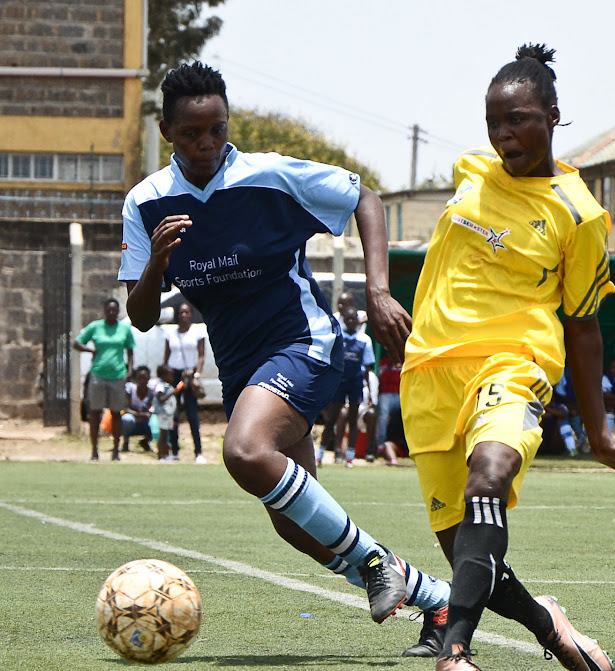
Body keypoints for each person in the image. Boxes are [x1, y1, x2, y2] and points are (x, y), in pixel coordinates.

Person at [119, 61, 450, 634]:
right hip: (245, 368)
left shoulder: (269, 176)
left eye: (217, 128)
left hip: (305, 343)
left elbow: (364, 198)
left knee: (245, 452)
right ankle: (435, 598)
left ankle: (376, 564)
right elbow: (142, 317)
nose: (207, 143)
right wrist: (154, 266)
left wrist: (377, 290)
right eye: (192, 133)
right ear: (168, 132)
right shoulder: (145, 204)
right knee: (295, 523)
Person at [400, 44, 615, 671]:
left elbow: (584, 322)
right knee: (464, 551)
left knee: (490, 476)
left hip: (515, 363)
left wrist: (598, 434)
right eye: (493, 123)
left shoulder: (579, 213)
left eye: (516, 119)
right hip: (429, 375)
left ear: (551, 116)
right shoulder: (470, 173)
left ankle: (452, 655)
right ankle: (547, 623)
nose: (503, 135)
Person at [73, 298, 135, 461]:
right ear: (104, 311)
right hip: (98, 374)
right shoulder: (95, 327)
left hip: (117, 375)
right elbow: (77, 343)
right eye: (109, 310)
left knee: (116, 413)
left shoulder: (124, 329)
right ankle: (94, 450)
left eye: (114, 310)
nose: (111, 313)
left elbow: (130, 350)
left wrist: (130, 370)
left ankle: (116, 450)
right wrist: (90, 350)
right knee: (95, 413)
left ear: (118, 311)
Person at [317, 306, 375, 468]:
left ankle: (349, 456)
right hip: (340, 382)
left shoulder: (364, 340)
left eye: (353, 319)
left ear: (357, 321)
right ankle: (320, 455)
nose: (350, 322)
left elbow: (367, 369)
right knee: (331, 419)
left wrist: (370, 393)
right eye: (347, 319)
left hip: (355, 382)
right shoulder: (338, 337)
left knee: (353, 419)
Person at [164, 301, 207, 463]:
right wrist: (166, 379)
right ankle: (173, 450)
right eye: (181, 313)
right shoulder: (171, 333)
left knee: (192, 413)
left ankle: (198, 452)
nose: (184, 316)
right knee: (173, 414)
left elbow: (201, 354)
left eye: (186, 312)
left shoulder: (197, 331)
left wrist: (197, 375)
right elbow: (166, 355)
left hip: (189, 374)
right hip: (174, 375)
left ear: (191, 314)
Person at [121, 364, 154, 452]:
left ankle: (146, 441)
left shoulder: (151, 392)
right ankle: (126, 442)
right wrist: (139, 414)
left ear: (149, 379)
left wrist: (148, 414)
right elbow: (126, 408)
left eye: (145, 378)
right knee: (127, 419)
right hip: (132, 420)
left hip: (145, 421)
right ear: (136, 378)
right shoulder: (130, 389)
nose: (142, 381)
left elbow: (152, 408)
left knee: (155, 421)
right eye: (140, 378)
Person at [375, 357, 402, 458]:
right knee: (383, 416)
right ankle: (381, 445)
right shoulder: (383, 362)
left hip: (401, 393)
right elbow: (378, 378)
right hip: (385, 393)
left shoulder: (406, 361)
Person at [153, 364, 178, 462]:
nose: (172, 377)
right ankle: (161, 455)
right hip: (163, 413)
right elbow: (161, 399)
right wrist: (172, 393)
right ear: (163, 375)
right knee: (163, 436)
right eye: (170, 375)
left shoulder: (167, 385)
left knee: (166, 435)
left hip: (168, 414)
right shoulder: (160, 386)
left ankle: (167, 454)